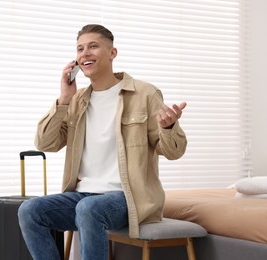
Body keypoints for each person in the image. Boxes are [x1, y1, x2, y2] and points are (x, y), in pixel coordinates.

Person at [18, 24, 187, 260]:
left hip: (128, 198)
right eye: (80, 49)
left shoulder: (144, 93)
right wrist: (63, 99)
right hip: (83, 195)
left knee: (88, 209)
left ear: (112, 53)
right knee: (30, 211)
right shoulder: (77, 100)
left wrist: (168, 127)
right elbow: (46, 143)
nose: (85, 53)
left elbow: (173, 151)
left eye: (93, 46)